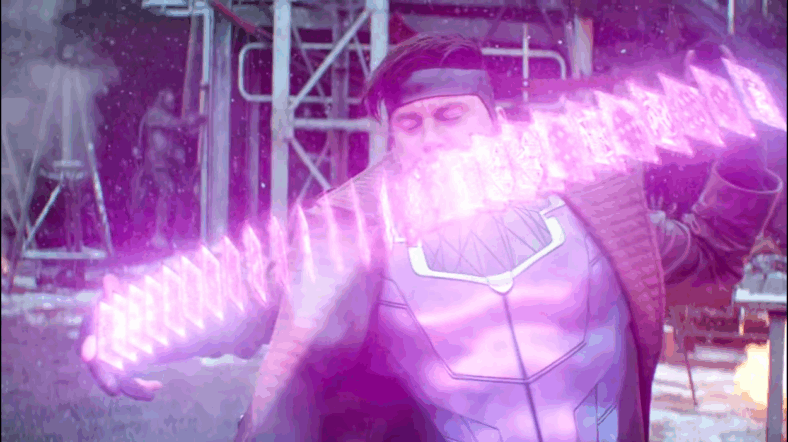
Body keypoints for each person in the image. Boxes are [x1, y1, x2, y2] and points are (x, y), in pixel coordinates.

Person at [80, 34, 783, 442]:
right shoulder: (357, 234)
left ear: (491, 122)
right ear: (392, 138)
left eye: (451, 117)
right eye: (411, 124)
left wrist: (748, 159)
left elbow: (710, 256)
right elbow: (247, 294)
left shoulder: (593, 208)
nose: (432, 138)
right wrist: (126, 328)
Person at [129, 88, 205, 250]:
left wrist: (193, 125)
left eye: (172, 102)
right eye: (169, 102)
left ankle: (173, 232)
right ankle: (157, 234)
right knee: (166, 190)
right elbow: (174, 123)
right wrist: (193, 120)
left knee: (178, 192)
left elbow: (179, 130)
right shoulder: (154, 115)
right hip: (155, 163)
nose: (171, 105)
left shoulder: (164, 117)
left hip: (167, 163)